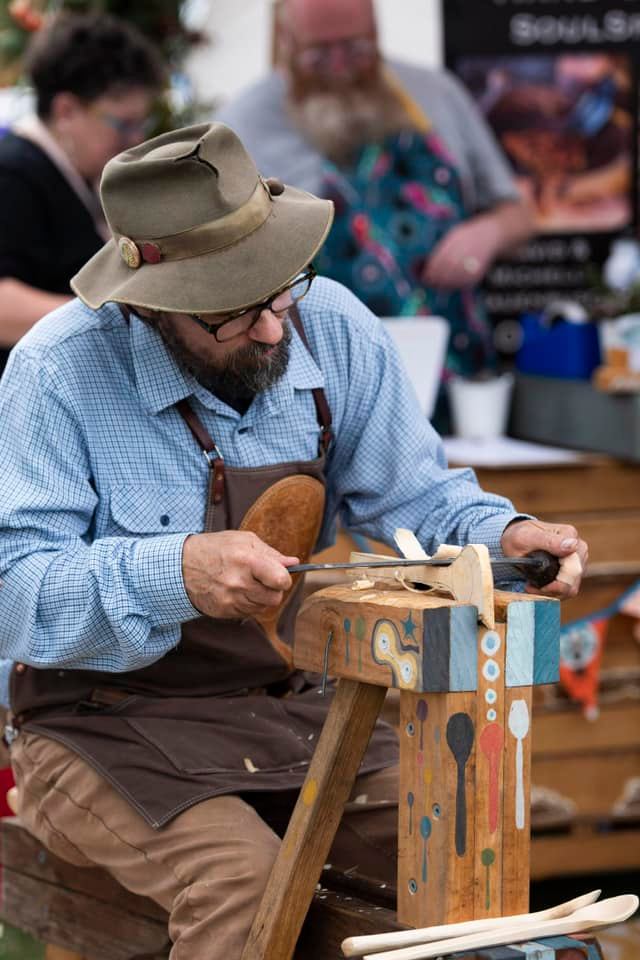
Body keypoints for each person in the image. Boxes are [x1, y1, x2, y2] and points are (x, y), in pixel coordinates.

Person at [0, 122, 586, 960]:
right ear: (148, 304)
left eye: (282, 292)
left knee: (464, 854)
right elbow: (14, 592)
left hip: (295, 711)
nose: (275, 332)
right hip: (99, 724)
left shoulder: (330, 324)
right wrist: (175, 573)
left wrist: (511, 533)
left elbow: (419, 495)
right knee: (244, 885)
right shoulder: (57, 373)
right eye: (235, 312)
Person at [216, 0, 534, 431]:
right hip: (319, 393)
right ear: (286, 41)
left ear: (377, 32)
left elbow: (520, 213)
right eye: (320, 53)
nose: (341, 66)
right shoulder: (244, 125)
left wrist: (489, 232)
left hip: (456, 381)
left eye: (356, 47)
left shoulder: (436, 94)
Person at [0, 10, 165, 375]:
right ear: (66, 111)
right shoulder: (13, 175)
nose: (136, 138)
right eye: (124, 122)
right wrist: (123, 316)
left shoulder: (75, 174)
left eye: (142, 123)